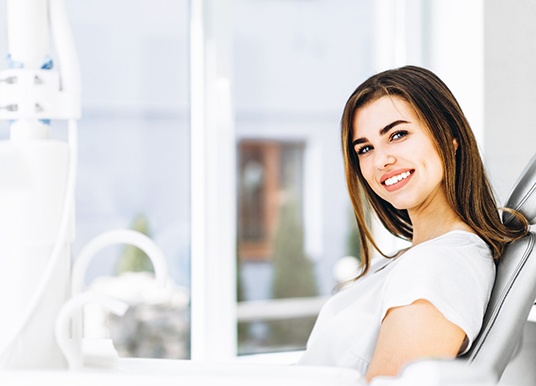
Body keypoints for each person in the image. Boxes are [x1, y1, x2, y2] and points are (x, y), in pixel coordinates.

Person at [297, 66, 529, 382]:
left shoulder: (440, 265)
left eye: (398, 135)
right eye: (365, 148)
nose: (380, 161)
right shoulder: (418, 258)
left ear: (449, 136)